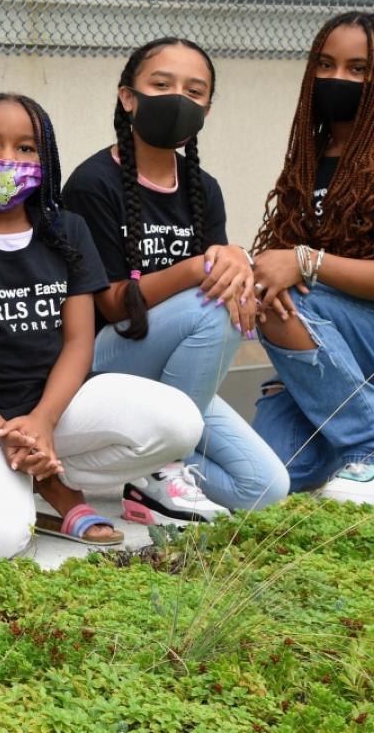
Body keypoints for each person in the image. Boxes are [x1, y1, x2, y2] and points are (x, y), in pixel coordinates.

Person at [0, 93, 203, 559]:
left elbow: (77, 343)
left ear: (45, 158)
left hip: (60, 406)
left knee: (179, 423)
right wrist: (5, 429)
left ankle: (52, 478)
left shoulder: (66, 230)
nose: (7, 159)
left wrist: (44, 421)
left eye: (25, 148)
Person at [62, 37, 289, 521]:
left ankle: (156, 468)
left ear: (207, 107)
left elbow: (225, 285)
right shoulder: (93, 183)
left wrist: (244, 274)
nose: (179, 99)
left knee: (265, 486)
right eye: (161, 84)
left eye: (195, 91)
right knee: (214, 304)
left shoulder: (204, 189)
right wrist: (197, 268)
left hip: (175, 372)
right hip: (104, 365)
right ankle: (160, 468)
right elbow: (112, 307)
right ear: (129, 97)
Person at [251, 11, 374, 503]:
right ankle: (337, 415)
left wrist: (307, 261)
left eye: (357, 69)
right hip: (335, 348)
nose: (337, 79)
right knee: (264, 475)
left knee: (291, 299)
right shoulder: (310, 156)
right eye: (326, 65)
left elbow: (301, 267)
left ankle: (366, 445)